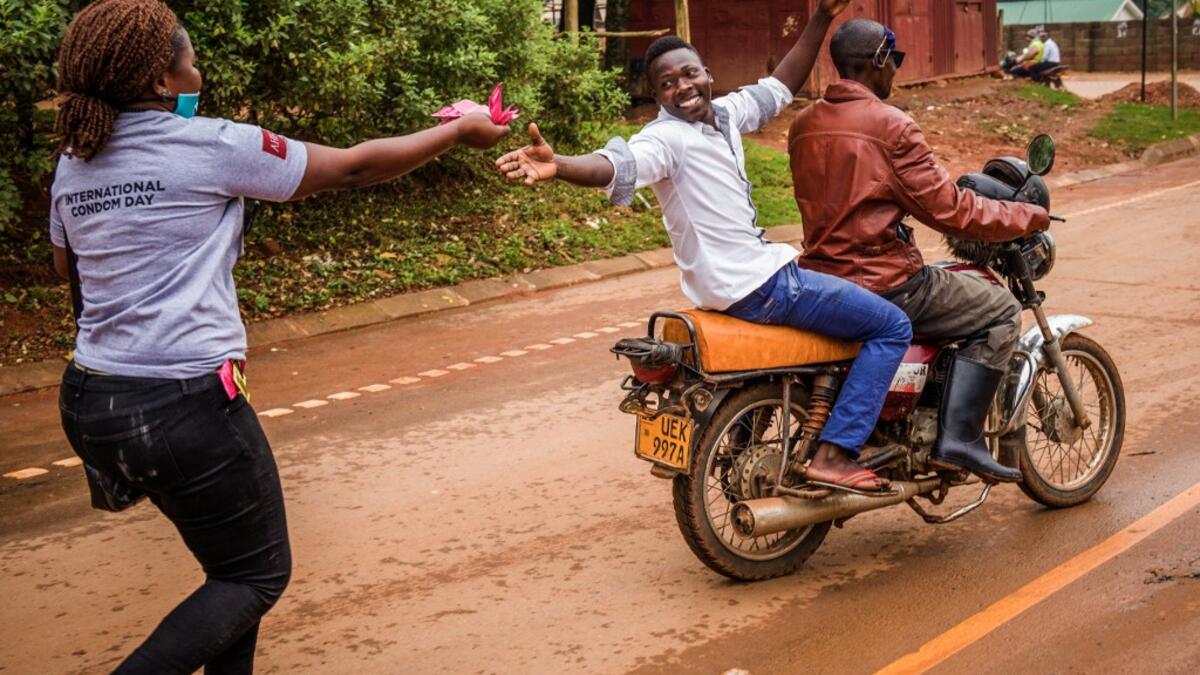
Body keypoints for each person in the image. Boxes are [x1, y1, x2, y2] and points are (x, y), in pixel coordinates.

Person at [50, 1, 510, 673]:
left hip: (90, 399)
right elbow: (352, 167)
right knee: (256, 576)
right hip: (180, 406)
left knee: (229, 570)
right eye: (191, 58)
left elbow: (71, 272)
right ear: (159, 80)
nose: (198, 69)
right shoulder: (209, 144)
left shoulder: (76, 160)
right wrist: (459, 132)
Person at [496, 0, 912, 493]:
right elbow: (617, 163)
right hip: (761, 285)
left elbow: (780, 86)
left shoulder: (726, 116)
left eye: (688, 74)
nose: (682, 87)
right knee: (891, 325)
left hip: (729, 286)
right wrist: (560, 165)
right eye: (667, 84)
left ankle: (745, 440)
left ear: (706, 73)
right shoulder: (666, 140)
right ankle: (836, 453)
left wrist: (820, 17)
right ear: (656, 96)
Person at [786, 19, 1050, 483]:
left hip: (822, 277)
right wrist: (1027, 216)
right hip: (886, 282)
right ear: (879, 60)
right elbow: (950, 210)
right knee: (1001, 309)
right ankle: (961, 439)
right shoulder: (892, 126)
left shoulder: (803, 125)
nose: (898, 72)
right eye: (897, 61)